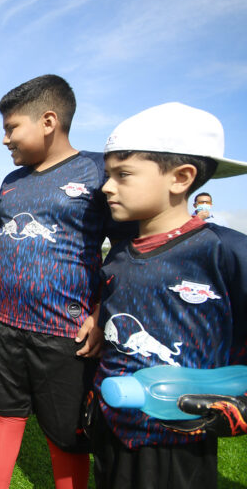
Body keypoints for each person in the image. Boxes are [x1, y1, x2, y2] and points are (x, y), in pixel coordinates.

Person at [0, 75, 133, 489]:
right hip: (5, 323)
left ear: (48, 120)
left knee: (68, 431)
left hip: (67, 333)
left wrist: (101, 313)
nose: (6, 139)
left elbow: (124, 250)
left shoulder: (98, 171)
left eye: (11, 128)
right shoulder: (11, 182)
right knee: (3, 410)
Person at [91, 102, 247, 488]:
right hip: (112, 428)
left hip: (179, 440)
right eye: (107, 174)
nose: (106, 186)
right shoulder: (118, 258)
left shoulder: (223, 252)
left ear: (181, 178)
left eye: (123, 174)